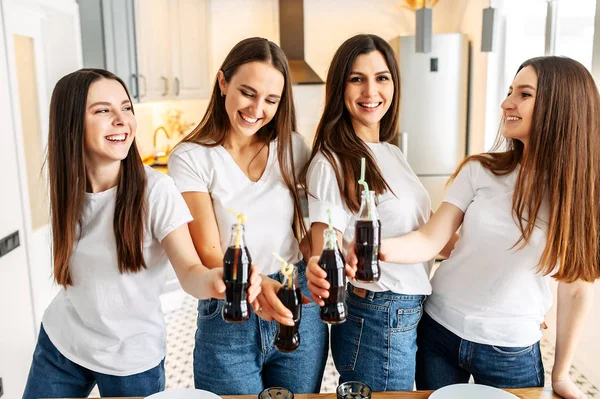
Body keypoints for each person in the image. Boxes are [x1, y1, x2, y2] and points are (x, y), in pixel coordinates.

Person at [347, 56, 599, 398]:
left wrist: (561, 375)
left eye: (524, 94)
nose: (506, 102)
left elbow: (576, 288)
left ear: (561, 106)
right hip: (438, 332)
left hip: (510, 351)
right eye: (510, 91)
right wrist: (371, 248)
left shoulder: (581, 198)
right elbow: (429, 239)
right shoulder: (481, 170)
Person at [22, 68, 261, 399]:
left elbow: (190, 270)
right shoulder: (66, 186)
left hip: (130, 358)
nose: (122, 119)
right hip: (63, 341)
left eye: (126, 107)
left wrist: (214, 281)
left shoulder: (157, 191)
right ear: (72, 124)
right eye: (103, 110)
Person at [168, 37, 328, 395]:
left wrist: (314, 255)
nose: (257, 108)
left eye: (271, 100)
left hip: (294, 300)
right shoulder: (191, 157)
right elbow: (209, 251)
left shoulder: (292, 147)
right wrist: (261, 287)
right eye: (247, 92)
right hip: (229, 308)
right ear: (223, 83)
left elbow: (312, 220)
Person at [303, 34, 453, 391]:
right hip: (376, 315)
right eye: (357, 79)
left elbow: (429, 236)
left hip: (406, 310)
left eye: (381, 77)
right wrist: (330, 259)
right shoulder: (332, 160)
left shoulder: (391, 152)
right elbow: (327, 242)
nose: (371, 91)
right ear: (340, 87)